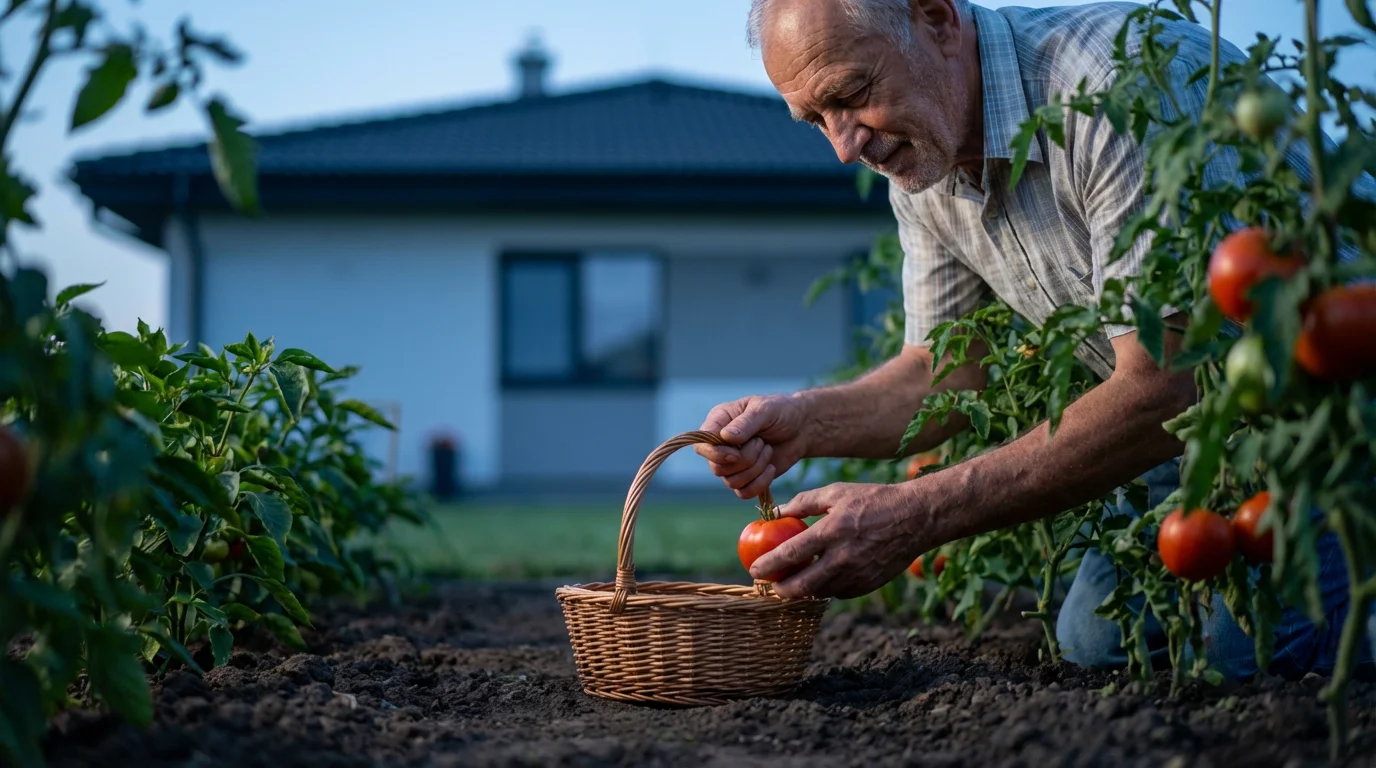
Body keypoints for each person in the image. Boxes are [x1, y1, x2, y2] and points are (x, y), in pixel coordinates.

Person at [695, 0, 1374, 680]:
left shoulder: (1112, 88)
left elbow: (1170, 380)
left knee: (1256, 660)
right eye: (816, 119)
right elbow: (947, 372)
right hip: (1206, 429)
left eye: (853, 94)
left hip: (1331, 409)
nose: (844, 145)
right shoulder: (922, 154)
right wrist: (802, 424)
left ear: (937, 20)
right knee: (1097, 648)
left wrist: (916, 513)